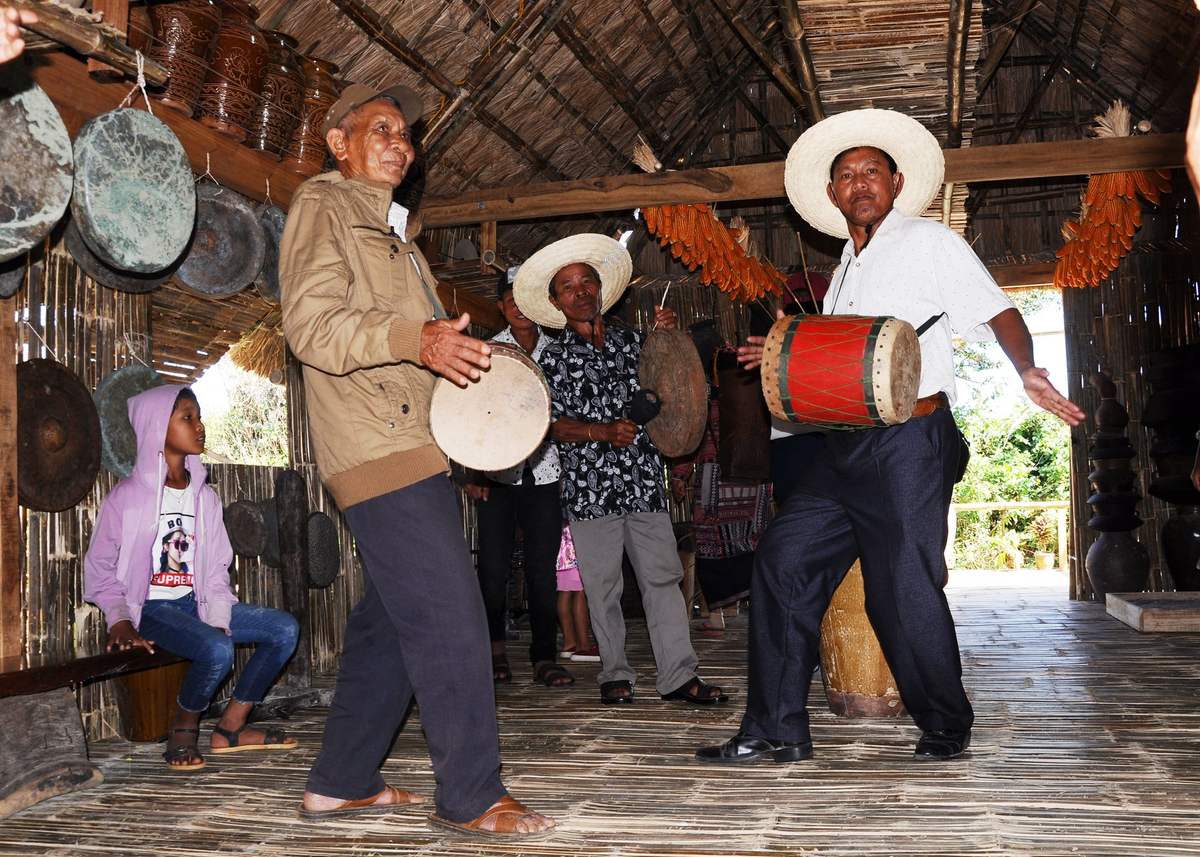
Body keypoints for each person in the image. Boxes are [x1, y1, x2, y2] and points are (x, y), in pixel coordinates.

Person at [697, 108, 1085, 766]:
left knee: (900, 587)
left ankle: (944, 722)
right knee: (782, 560)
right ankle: (776, 727)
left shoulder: (931, 243)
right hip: (843, 445)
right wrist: (784, 350)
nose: (859, 182)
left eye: (871, 171)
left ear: (897, 182)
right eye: (846, 175)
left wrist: (1026, 368)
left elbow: (999, 309)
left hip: (911, 438)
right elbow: (845, 359)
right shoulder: (844, 267)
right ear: (832, 195)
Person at [279, 83, 552, 836]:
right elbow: (311, 326)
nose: (401, 144)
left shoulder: (400, 236)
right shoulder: (323, 205)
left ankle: (340, 781)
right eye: (381, 129)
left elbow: (417, 348)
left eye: (405, 135)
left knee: (394, 622)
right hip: (374, 446)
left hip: (415, 444)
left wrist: (460, 363)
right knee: (449, 614)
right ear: (339, 143)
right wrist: (417, 338)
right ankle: (470, 793)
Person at [513, 234, 728, 707]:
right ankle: (614, 672)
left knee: (662, 579)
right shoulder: (550, 359)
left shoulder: (637, 341)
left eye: (586, 281)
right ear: (554, 301)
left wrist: (667, 338)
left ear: (601, 288)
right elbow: (546, 426)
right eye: (567, 287)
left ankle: (678, 675)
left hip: (644, 483)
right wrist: (601, 433)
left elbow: (670, 391)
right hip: (590, 491)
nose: (580, 291)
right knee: (603, 586)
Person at [84, 386, 300, 772]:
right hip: (152, 609)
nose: (199, 427)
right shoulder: (127, 498)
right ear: (156, 426)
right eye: (187, 417)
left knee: (283, 629)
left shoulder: (206, 498)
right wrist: (118, 617)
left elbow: (217, 567)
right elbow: (100, 567)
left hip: (198, 603)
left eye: (198, 417)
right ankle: (184, 729)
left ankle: (231, 727)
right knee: (217, 651)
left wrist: (218, 616)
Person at [466, 270, 573, 688]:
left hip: (545, 474)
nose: (516, 307)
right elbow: (469, 415)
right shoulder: (490, 352)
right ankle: (494, 650)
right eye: (508, 301)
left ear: (536, 305)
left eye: (522, 300)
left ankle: (544, 655)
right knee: (493, 571)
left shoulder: (559, 352)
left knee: (542, 570)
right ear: (501, 308)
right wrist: (473, 472)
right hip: (496, 476)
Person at [555, 522, 599, 660]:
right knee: (579, 590)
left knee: (565, 591)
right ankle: (583, 646)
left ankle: (569, 643)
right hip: (572, 537)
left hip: (558, 539)